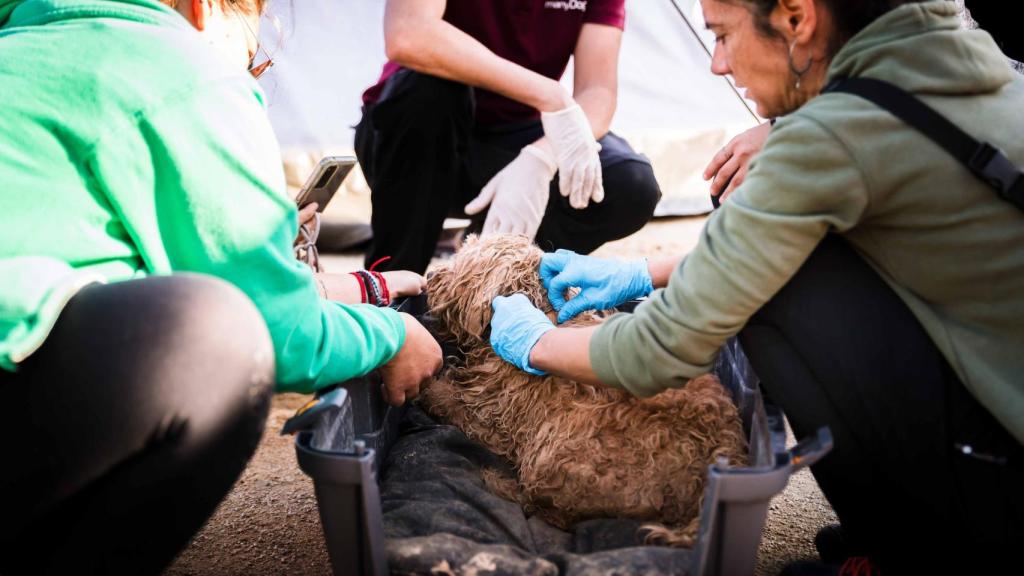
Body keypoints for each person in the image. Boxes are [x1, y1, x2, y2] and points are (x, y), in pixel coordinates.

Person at [486, 0, 1024, 572]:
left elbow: (658, 350)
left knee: (773, 293)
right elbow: (773, 248)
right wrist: (643, 272)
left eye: (721, 35)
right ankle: (896, 535)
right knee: (797, 265)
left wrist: (535, 341)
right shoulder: (961, 71)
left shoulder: (837, 134)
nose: (717, 63)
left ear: (797, 18)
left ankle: (920, 550)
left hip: (1009, 499)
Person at [0, 0, 440, 573]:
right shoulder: (179, 66)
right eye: (255, 39)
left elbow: (112, 280)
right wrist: (393, 332)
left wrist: (350, 287)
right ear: (207, 9)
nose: (252, 61)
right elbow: (283, 338)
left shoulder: (27, 46)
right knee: (217, 341)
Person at [355, 0, 662, 274]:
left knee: (630, 183)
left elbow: (598, 90)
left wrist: (542, 156)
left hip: (518, 135)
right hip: (414, 135)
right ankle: (392, 284)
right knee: (431, 93)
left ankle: (489, 276)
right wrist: (551, 96)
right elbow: (409, 32)